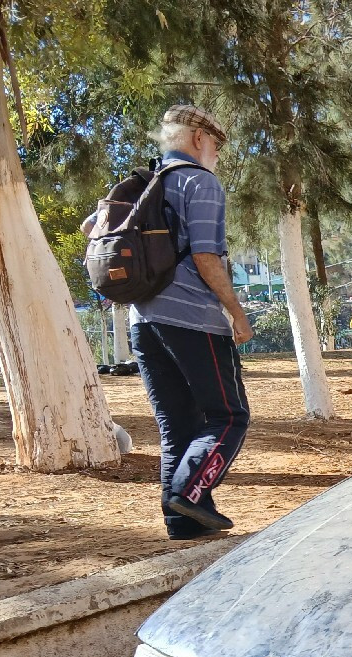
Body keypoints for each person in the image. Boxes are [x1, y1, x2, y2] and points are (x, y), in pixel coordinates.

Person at [93, 106, 251, 541]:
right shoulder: (200, 183)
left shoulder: (142, 183)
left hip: (143, 321)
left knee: (177, 425)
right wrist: (236, 312)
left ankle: (182, 524)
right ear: (199, 138)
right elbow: (206, 257)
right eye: (216, 145)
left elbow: (94, 227)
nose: (216, 154)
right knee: (229, 416)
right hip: (193, 320)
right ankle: (190, 494)